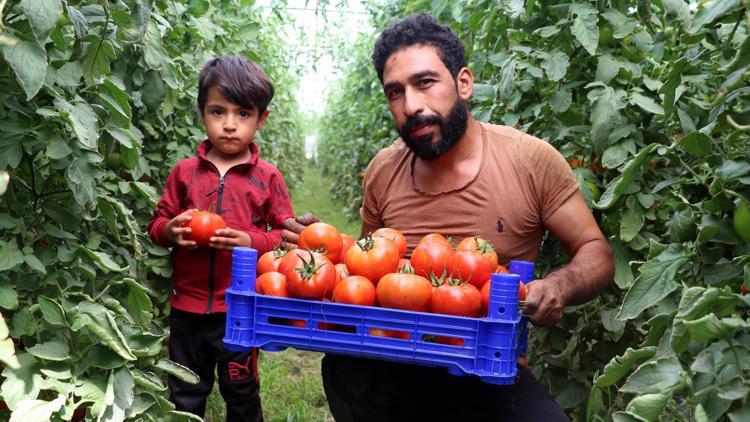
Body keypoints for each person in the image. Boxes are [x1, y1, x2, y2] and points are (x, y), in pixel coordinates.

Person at [283, 14, 614, 421]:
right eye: (394, 93)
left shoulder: (529, 160)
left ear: (463, 83)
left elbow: (595, 251)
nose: (411, 106)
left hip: (486, 370)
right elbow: (366, 277)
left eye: (425, 83)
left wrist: (559, 285)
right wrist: (320, 251)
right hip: (390, 359)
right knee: (347, 370)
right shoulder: (384, 170)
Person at [148, 55, 295, 421]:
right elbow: (158, 223)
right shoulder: (184, 173)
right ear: (201, 113)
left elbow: (284, 237)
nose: (229, 125)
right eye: (218, 112)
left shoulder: (268, 178)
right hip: (187, 308)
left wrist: (249, 241)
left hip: (241, 308)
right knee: (185, 391)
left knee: (241, 391)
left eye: (243, 114)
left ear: (262, 118)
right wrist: (171, 231)